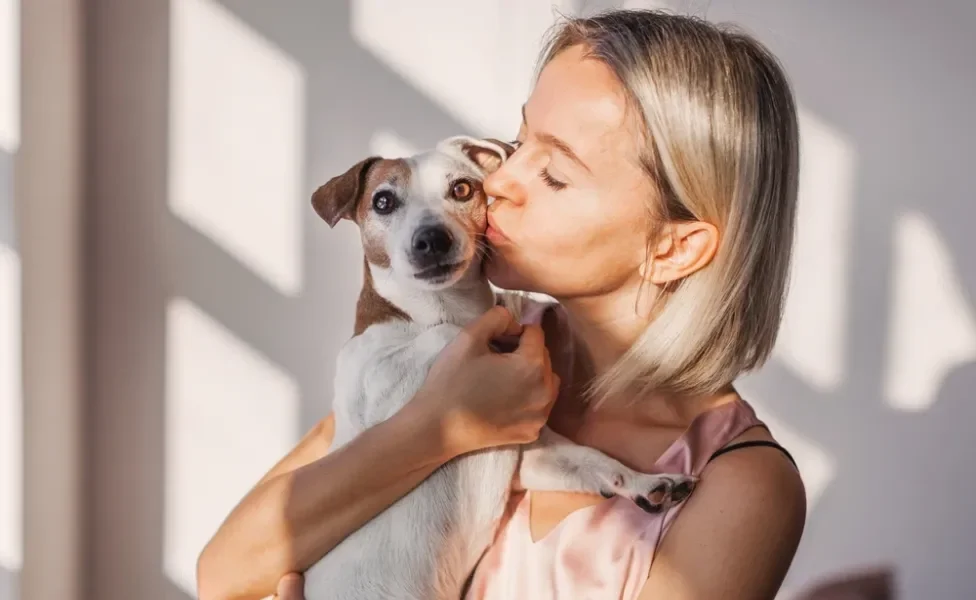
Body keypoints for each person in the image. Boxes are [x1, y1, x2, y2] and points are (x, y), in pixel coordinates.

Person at [196, 9, 806, 600]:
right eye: (520, 143)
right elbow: (224, 573)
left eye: (555, 175)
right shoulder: (468, 341)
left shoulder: (744, 484)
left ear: (673, 247)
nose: (500, 180)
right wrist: (436, 425)